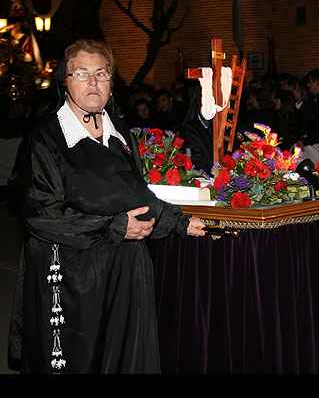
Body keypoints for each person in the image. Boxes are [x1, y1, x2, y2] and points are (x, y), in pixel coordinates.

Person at [7, 39, 206, 374]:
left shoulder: (120, 134)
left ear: (111, 82)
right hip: (72, 276)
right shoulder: (45, 141)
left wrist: (179, 222)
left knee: (125, 358)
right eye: (82, 73)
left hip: (124, 270)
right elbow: (42, 216)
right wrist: (114, 227)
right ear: (65, 82)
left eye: (101, 73)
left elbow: (136, 195)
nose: (93, 82)